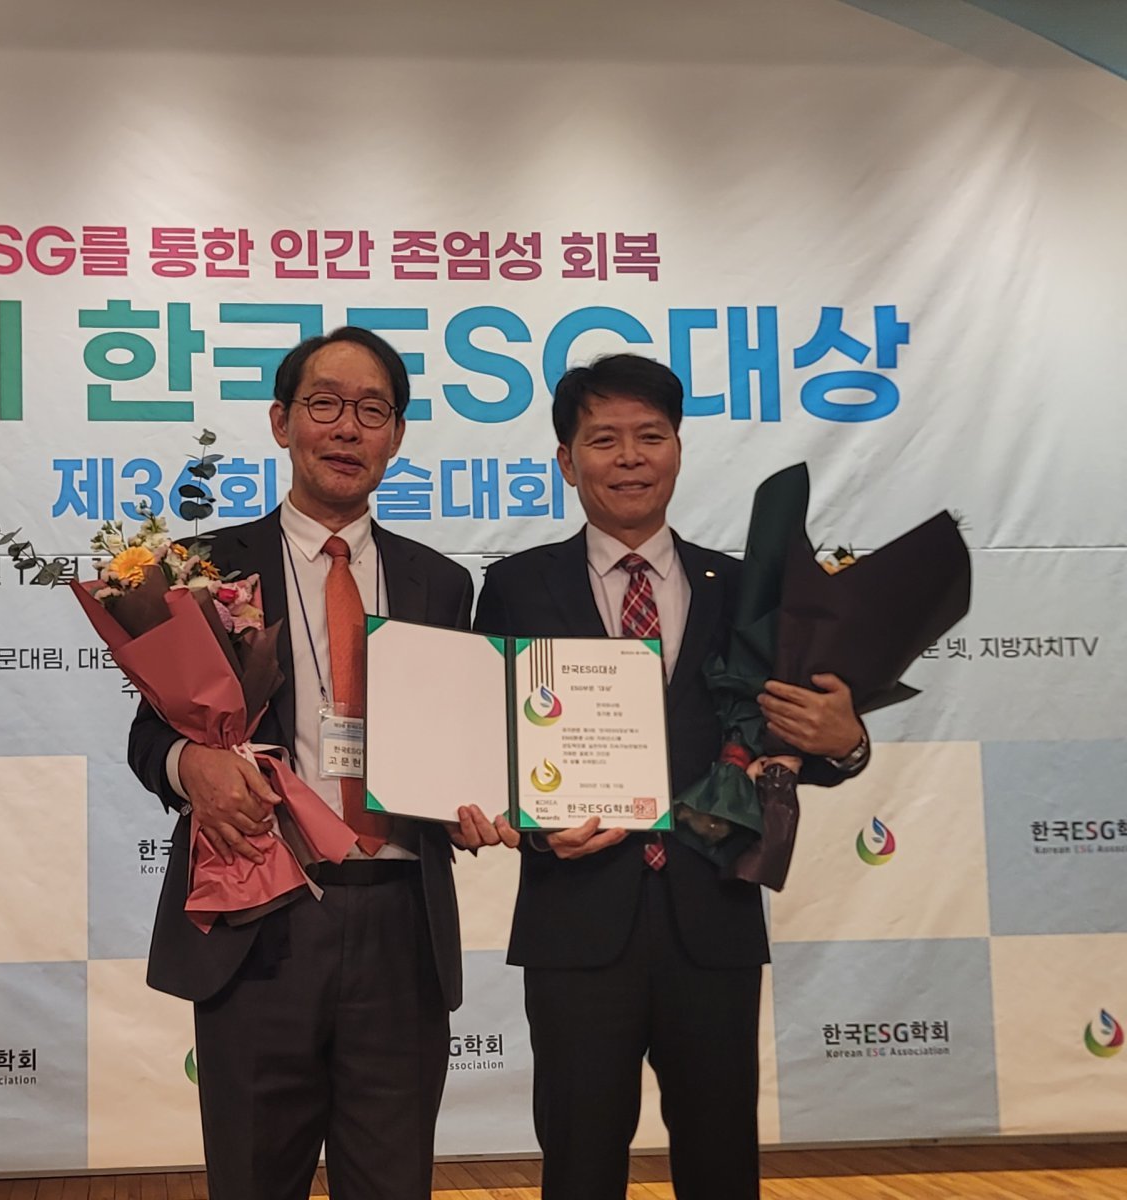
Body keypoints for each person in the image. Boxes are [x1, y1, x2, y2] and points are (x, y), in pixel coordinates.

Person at [474, 353, 870, 1200]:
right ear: (565, 460)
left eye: (650, 436)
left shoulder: (746, 590)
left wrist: (844, 743)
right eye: (604, 439)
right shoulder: (514, 587)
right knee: (580, 1165)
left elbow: (790, 737)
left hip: (712, 920)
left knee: (721, 1161)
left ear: (679, 450)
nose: (629, 457)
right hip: (576, 923)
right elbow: (486, 746)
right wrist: (531, 826)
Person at [126, 326, 497, 1200]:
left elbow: (467, 740)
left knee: (393, 1183)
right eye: (324, 404)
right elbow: (150, 738)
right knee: (255, 1179)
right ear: (281, 421)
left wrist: (485, 801)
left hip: (402, 922)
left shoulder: (442, 584)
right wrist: (189, 765)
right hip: (263, 916)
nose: (347, 428)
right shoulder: (203, 569)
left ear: (396, 436)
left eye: (372, 410)